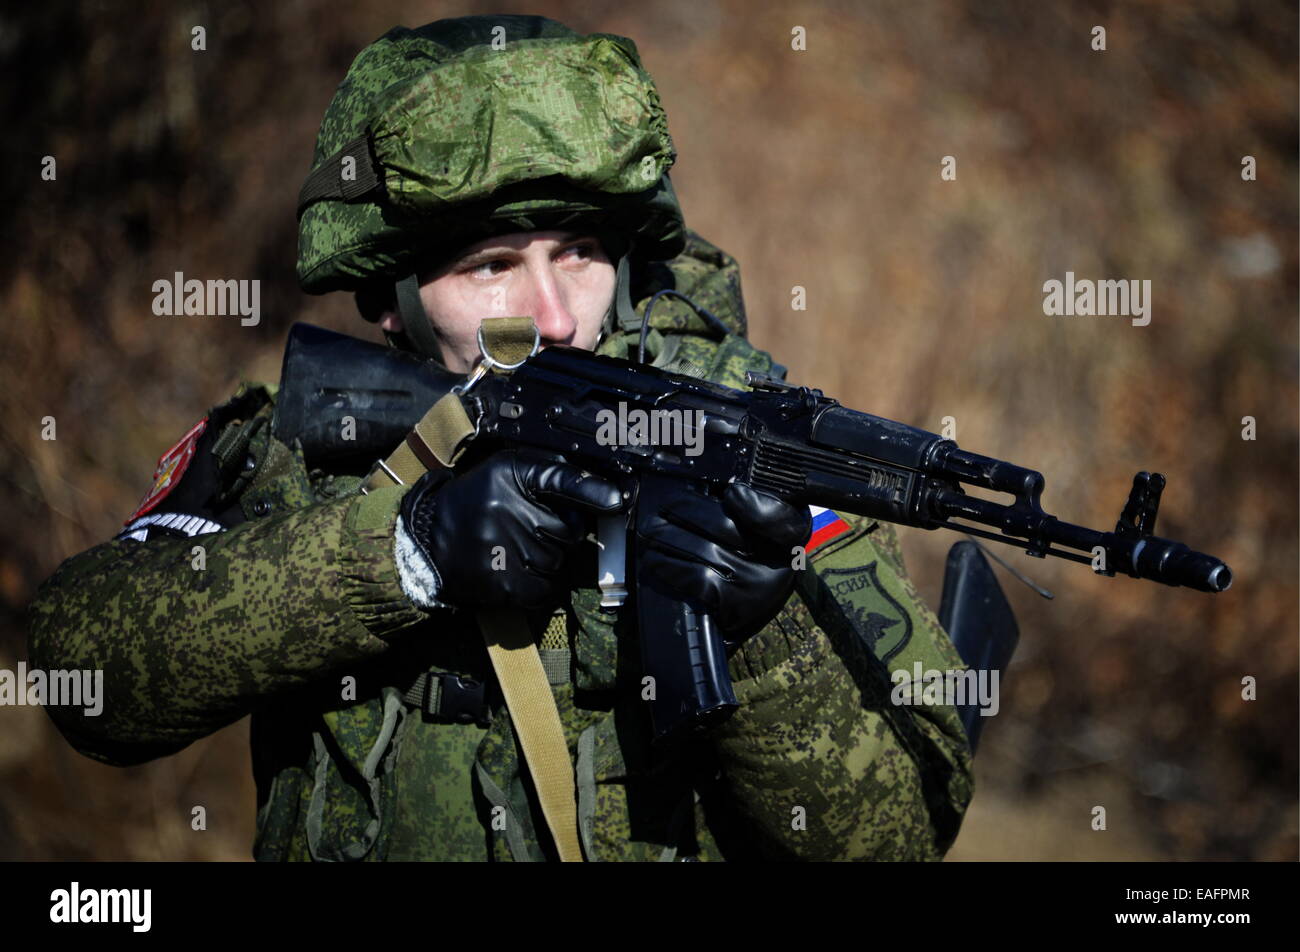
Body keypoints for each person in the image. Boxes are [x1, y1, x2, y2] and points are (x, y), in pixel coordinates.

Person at [28, 15, 973, 861]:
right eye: (491, 268)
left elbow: (902, 840)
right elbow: (85, 681)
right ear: (388, 300)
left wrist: (766, 637)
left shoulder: (742, 437)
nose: (557, 316)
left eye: (581, 253)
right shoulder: (301, 445)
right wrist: (407, 550)